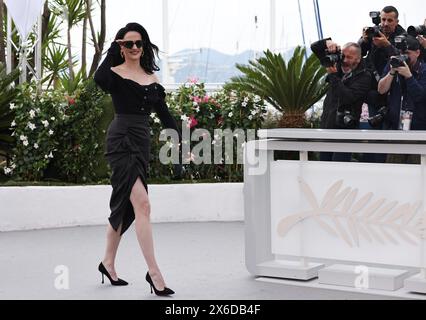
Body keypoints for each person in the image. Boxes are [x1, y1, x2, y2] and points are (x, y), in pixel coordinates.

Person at [94, 22, 182, 296]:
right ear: (121, 46)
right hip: (121, 140)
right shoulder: (113, 74)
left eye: (138, 43)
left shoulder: (151, 79)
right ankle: (154, 274)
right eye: (128, 43)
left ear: (144, 46)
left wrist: (182, 142)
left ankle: (107, 262)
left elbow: (166, 117)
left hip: (142, 142)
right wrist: (112, 49)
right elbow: (98, 79)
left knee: (127, 206)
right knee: (142, 204)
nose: (134, 48)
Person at [358, 6, 406, 163]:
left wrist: (387, 45)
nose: (385, 23)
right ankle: (370, 166)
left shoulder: (402, 36)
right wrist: (364, 39)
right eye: (383, 19)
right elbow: (358, 51)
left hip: (395, 93)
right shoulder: (374, 31)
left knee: (389, 135)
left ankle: (384, 167)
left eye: (389, 20)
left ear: (396, 21)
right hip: (374, 91)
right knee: (373, 133)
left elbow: (403, 59)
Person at [311, 39, 372, 162]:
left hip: (345, 131)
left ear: (358, 59)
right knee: (324, 166)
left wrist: (333, 76)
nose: (344, 60)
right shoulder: (336, 63)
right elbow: (315, 47)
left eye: (349, 57)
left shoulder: (365, 76)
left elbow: (347, 97)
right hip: (327, 127)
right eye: (343, 56)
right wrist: (328, 42)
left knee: (339, 170)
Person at [378, 35, 426, 163]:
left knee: (417, 173)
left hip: (419, 133)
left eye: (406, 53)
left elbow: (419, 96)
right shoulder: (393, 64)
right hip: (396, 131)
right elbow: (381, 90)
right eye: (400, 53)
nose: (403, 57)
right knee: (393, 172)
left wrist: (409, 77)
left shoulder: (424, 70)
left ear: (417, 53)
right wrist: (392, 72)